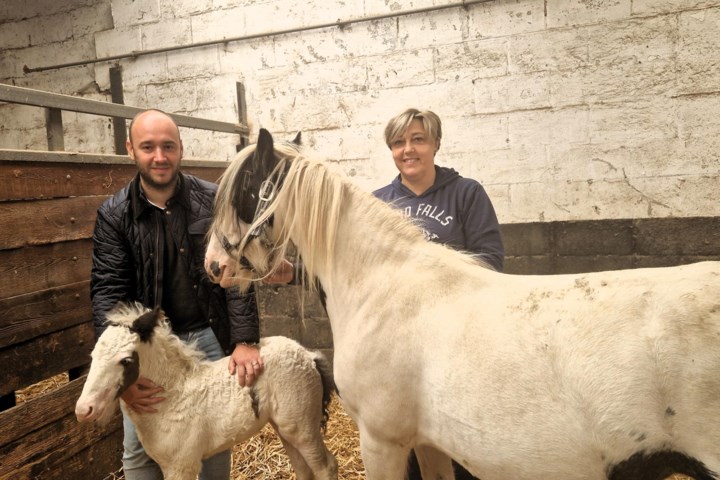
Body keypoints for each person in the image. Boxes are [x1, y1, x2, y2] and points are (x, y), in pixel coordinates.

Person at [90, 109, 263, 480]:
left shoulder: (214, 199)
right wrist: (125, 376)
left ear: (181, 147)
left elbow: (239, 270)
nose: (159, 156)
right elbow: (108, 292)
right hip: (148, 348)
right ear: (130, 149)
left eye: (168, 146)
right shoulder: (114, 214)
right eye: (148, 147)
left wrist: (245, 339)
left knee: (214, 441)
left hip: (205, 332)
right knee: (139, 447)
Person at [373, 107, 505, 479]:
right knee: (413, 437)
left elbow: (490, 260)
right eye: (398, 142)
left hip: (458, 338)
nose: (408, 149)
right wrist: (292, 272)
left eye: (418, 139)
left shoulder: (466, 193)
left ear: (436, 144)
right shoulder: (378, 203)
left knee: (461, 436)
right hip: (403, 345)